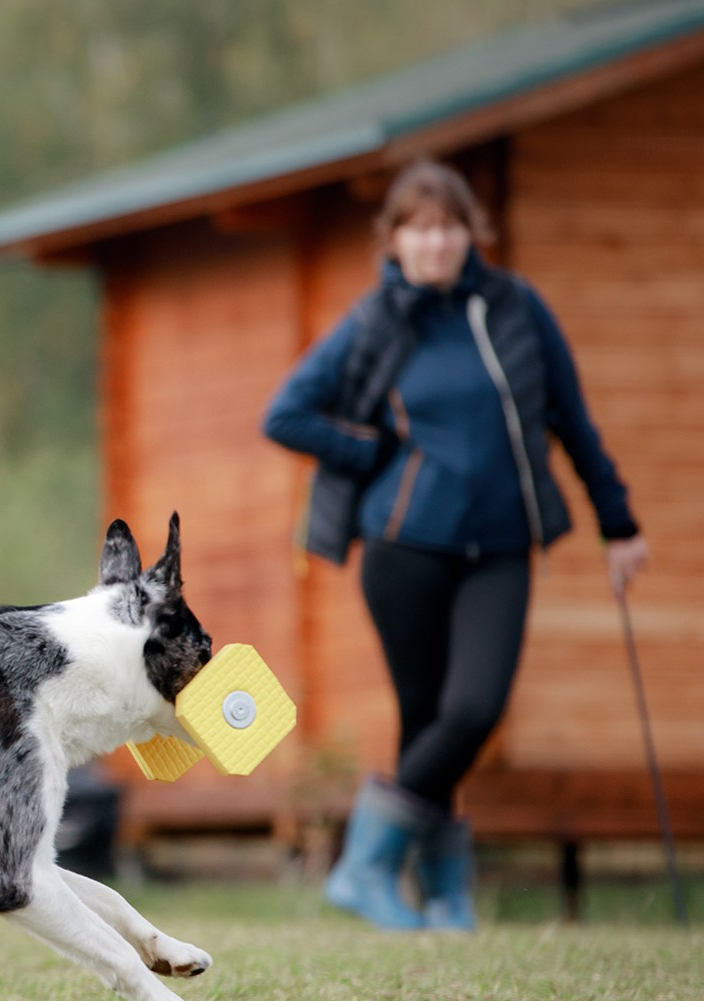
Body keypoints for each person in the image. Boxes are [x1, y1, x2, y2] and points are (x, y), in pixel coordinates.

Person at [263, 160, 649, 931]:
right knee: (424, 719)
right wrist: (369, 452)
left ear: (471, 233)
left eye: (449, 226)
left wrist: (619, 523)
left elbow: (570, 417)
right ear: (396, 238)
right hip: (404, 548)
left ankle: (366, 865)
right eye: (420, 228)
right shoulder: (377, 322)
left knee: (473, 709)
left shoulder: (514, 308)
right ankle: (444, 897)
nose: (436, 242)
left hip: (501, 546)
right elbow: (287, 413)